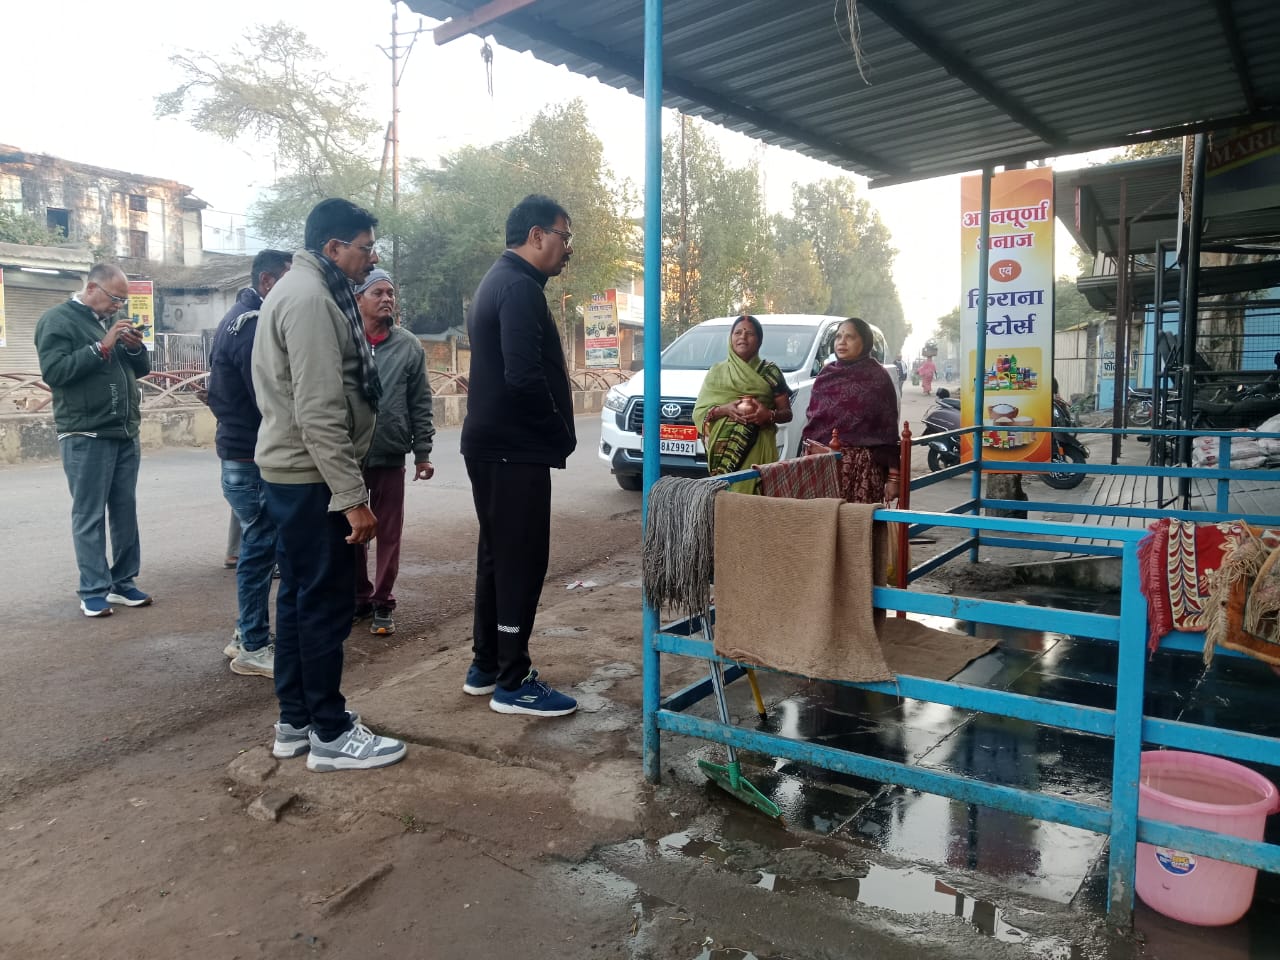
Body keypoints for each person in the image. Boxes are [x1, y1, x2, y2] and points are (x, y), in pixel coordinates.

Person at [251, 198, 405, 771]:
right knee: (323, 604)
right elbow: (318, 409)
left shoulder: (302, 290)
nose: (371, 258)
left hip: (295, 473)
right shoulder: (313, 300)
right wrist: (352, 497)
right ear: (334, 247)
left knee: (298, 599)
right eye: (365, 247)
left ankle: (296, 721)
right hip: (312, 476)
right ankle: (331, 733)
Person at [460, 194, 579, 717]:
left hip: (494, 447)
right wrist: (556, 431)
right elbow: (524, 377)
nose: (567, 249)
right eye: (563, 237)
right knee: (520, 560)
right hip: (513, 450)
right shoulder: (519, 288)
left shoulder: (500, 280)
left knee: (498, 555)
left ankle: (487, 665)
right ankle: (513, 680)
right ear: (536, 236)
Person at [35, 264, 153, 617]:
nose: (118, 306)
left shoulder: (109, 322)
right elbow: (55, 372)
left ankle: (123, 582)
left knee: (124, 510)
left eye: (122, 301)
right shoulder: (57, 320)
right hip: (85, 432)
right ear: (91, 288)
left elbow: (140, 370)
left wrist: (134, 347)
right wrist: (102, 346)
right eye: (115, 298)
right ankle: (93, 590)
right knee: (89, 513)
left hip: (123, 431)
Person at [208, 249, 292, 675]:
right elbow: (266, 397)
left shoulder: (239, 319)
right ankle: (254, 648)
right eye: (287, 282)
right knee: (259, 551)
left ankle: (245, 634)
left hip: (240, 452)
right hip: (249, 455)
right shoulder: (252, 325)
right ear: (267, 282)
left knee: (258, 547)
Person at [352, 268, 435, 637]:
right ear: (359, 299)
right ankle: (359, 597)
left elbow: (420, 402)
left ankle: (383, 601)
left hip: (390, 454)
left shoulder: (408, 346)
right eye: (378, 293)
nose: (387, 299)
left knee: (388, 533)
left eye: (390, 293)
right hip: (350, 458)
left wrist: (423, 452)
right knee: (353, 532)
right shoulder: (345, 341)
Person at [800, 317, 901, 503]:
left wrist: (894, 478)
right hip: (822, 466)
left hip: (862, 471)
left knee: (856, 520)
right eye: (838, 337)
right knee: (821, 519)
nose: (842, 342)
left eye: (850, 337)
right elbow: (813, 421)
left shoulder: (877, 377)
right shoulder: (826, 375)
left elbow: (888, 430)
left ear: (865, 342)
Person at [693, 314, 794, 495]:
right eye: (737, 332)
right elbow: (700, 411)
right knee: (726, 499)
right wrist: (724, 409)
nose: (743, 337)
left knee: (755, 500)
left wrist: (768, 415)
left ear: (759, 340)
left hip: (760, 450)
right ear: (730, 338)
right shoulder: (717, 372)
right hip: (723, 454)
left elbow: (787, 413)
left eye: (750, 333)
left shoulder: (770, 372)